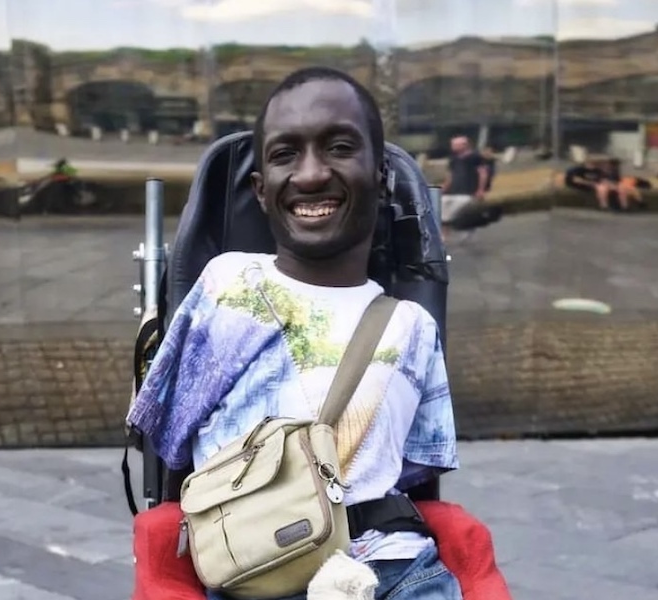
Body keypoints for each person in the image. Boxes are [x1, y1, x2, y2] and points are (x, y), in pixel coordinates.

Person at [126, 66, 461, 600]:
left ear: (380, 177)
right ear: (260, 190)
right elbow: (172, 451)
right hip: (260, 567)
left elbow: (414, 478)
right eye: (286, 154)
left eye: (339, 148)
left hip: (394, 573)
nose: (310, 175)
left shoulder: (412, 325)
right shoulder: (229, 285)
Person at [439, 135, 489, 241]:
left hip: (469, 190)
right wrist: (444, 187)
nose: (453, 147)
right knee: (443, 208)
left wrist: (480, 189)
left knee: (459, 210)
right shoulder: (453, 159)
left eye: (455, 145)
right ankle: (444, 234)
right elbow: (450, 176)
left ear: (464, 145)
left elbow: (482, 173)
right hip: (453, 189)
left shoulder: (475, 157)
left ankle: (468, 227)